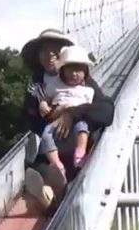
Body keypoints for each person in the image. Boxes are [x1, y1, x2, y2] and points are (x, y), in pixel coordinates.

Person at [20, 28, 115, 211]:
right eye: (44, 50)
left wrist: (71, 113)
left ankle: (57, 192)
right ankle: (49, 193)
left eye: (55, 49)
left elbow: (106, 110)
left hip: (78, 143)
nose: (50, 55)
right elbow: (31, 118)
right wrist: (52, 114)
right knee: (41, 168)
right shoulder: (37, 85)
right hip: (52, 145)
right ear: (38, 56)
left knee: (76, 172)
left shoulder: (80, 79)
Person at [36, 45, 96, 175]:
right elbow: (45, 99)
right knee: (46, 134)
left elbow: (91, 109)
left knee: (82, 127)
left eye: (78, 70)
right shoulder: (55, 86)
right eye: (70, 70)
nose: (74, 74)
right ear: (62, 71)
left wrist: (71, 112)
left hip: (77, 119)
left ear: (85, 72)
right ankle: (56, 163)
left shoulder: (88, 91)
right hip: (56, 121)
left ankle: (80, 153)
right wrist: (43, 105)